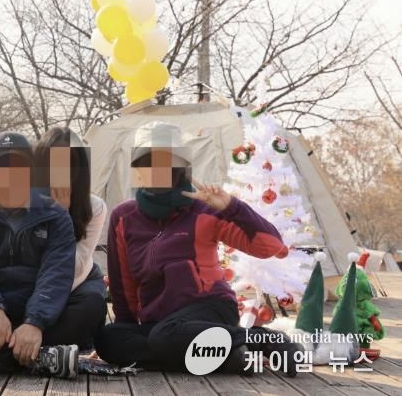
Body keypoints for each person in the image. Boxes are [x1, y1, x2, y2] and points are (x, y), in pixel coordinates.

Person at [94, 121, 302, 377]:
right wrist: (125, 334)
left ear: (181, 166)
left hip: (209, 309)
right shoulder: (124, 217)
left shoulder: (205, 209)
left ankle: (260, 339)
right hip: (159, 322)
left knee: (163, 337)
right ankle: (226, 357)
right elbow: (123, 284)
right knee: (108, 339)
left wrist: (232, 207)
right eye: (148, 161)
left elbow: (270, 246)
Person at [0, 132, 104, 378]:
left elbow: (56, 273)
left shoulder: (56, 215)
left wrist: (35, 321)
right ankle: (41, 357)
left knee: (92, 304)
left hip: (39, 308)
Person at [34, 127, 108, 296]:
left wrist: (61, 216)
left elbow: (74, 267)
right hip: (34, 283)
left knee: (90, 304)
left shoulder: (94, 207)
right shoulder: (25, 201)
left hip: (76, 283)